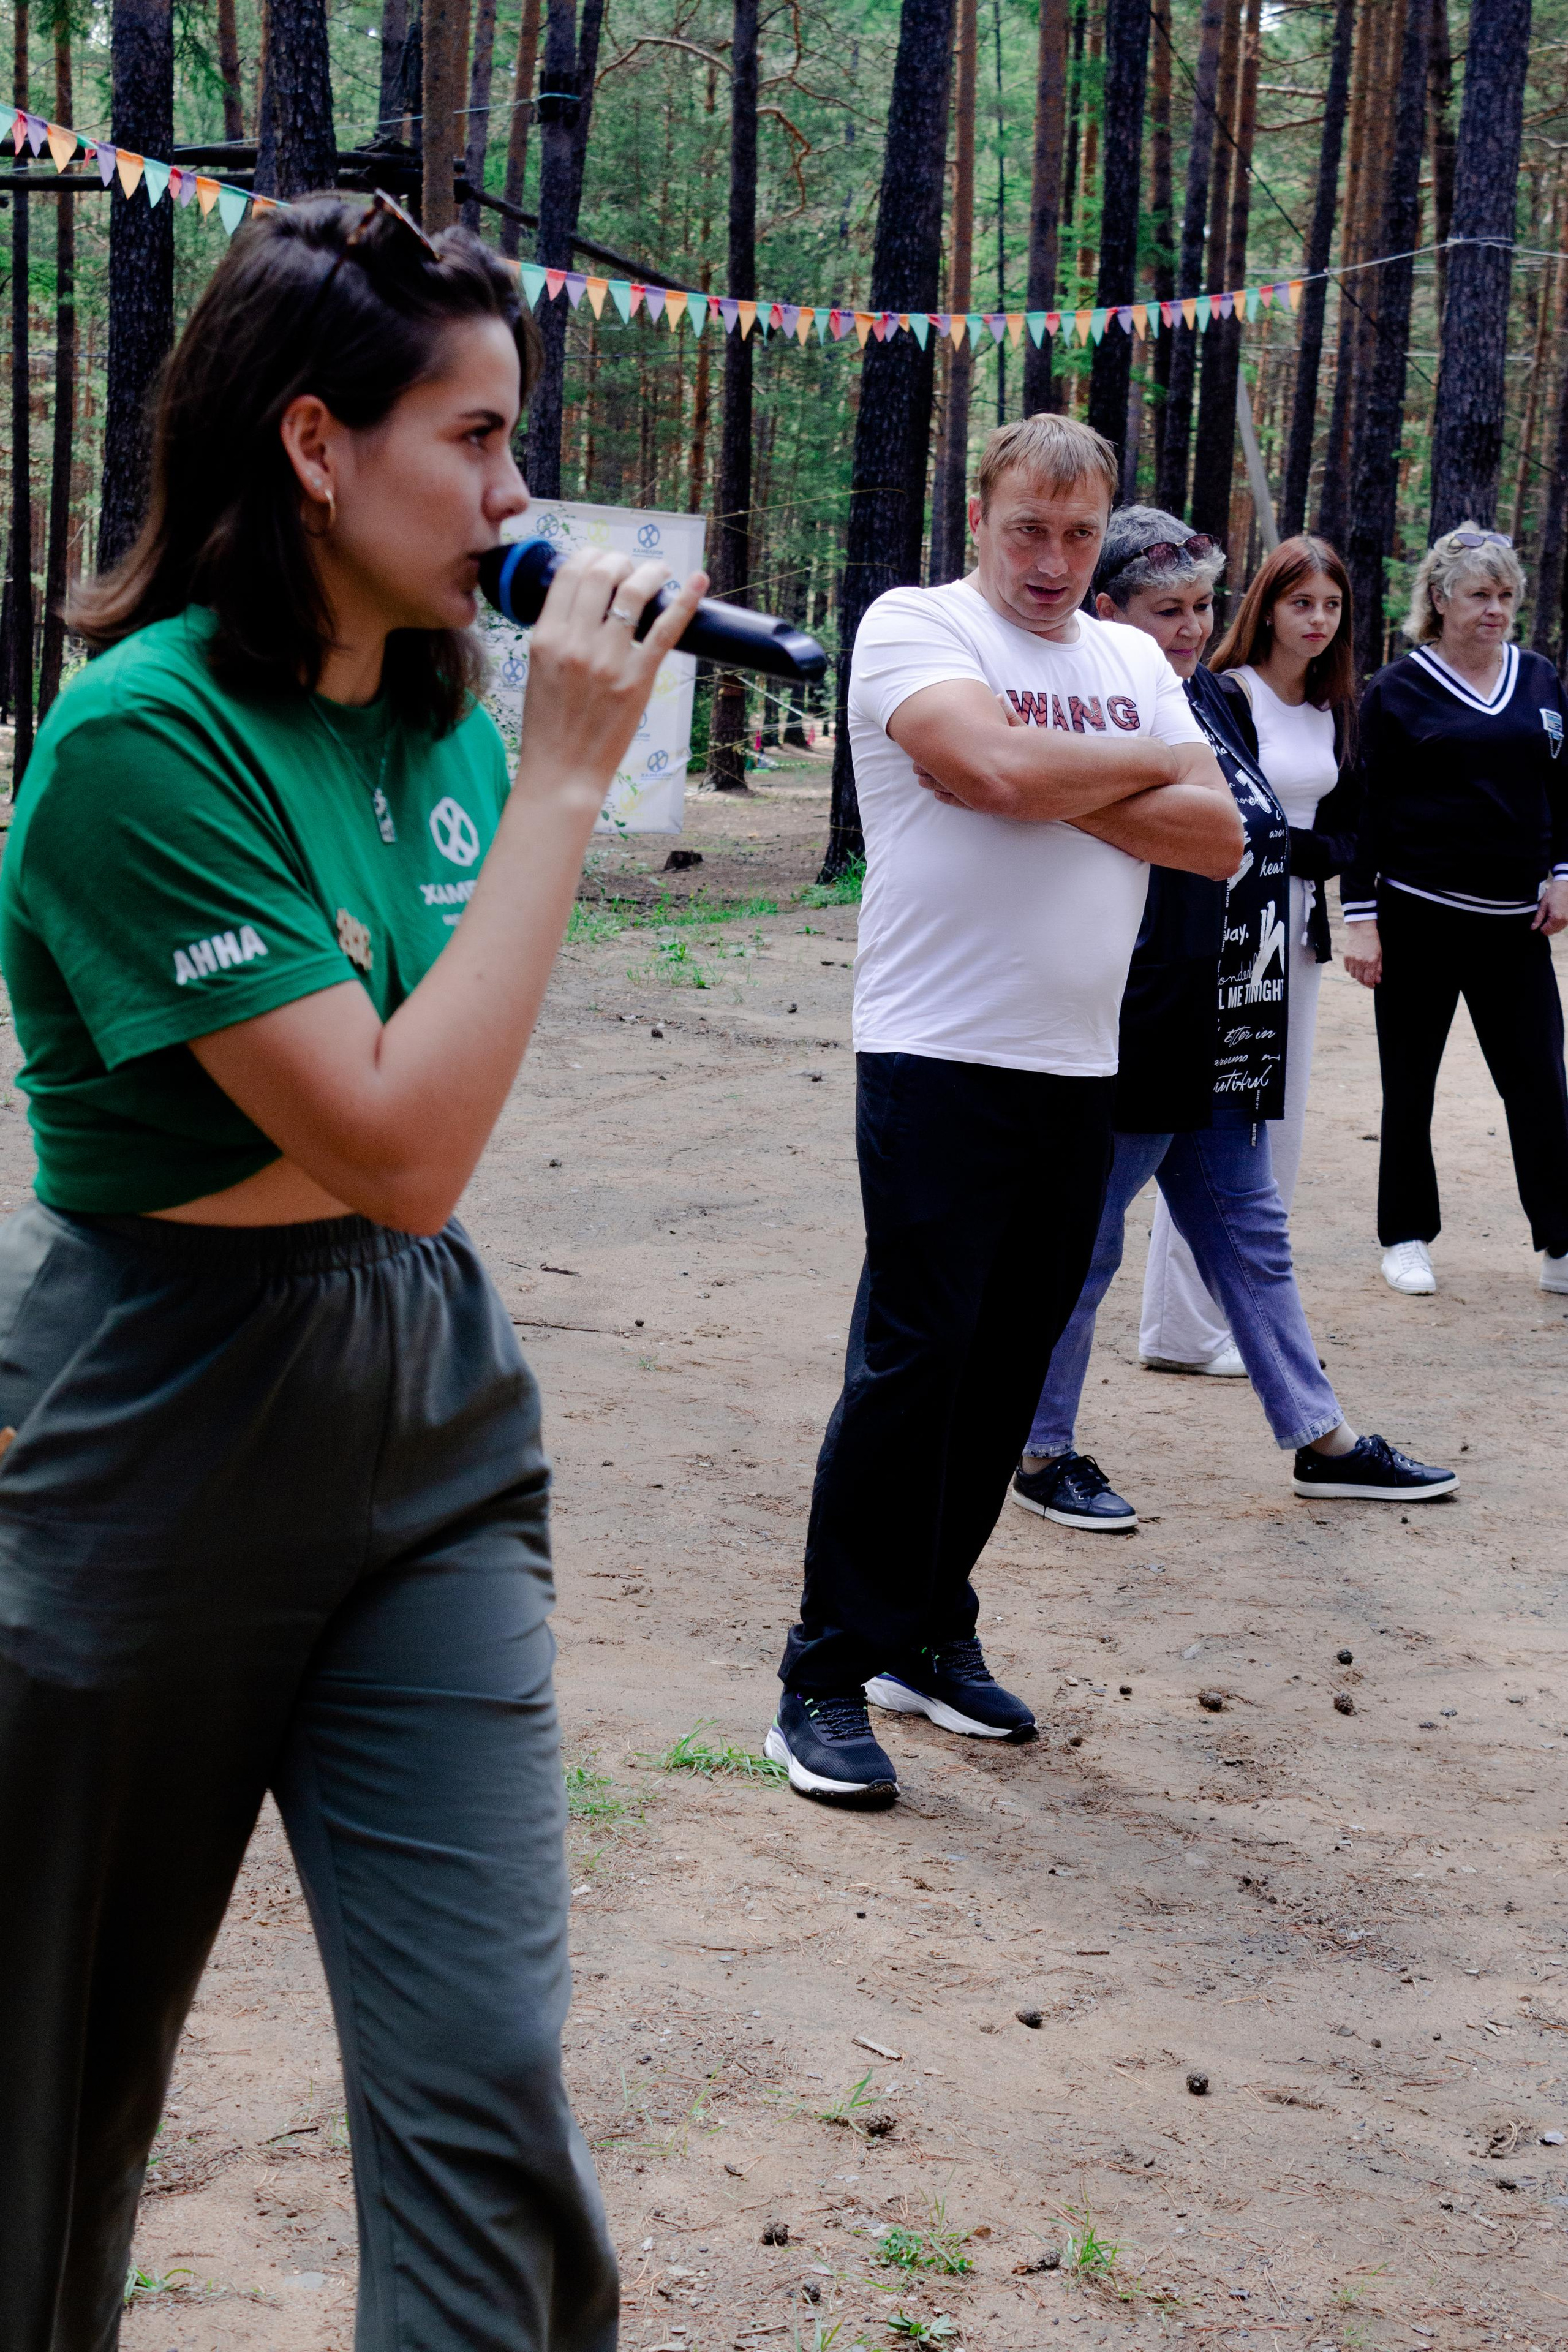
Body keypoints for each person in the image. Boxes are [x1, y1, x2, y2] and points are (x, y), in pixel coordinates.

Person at [0, 194, 706, 2350]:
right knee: (48, 2103)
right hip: (152, 1424)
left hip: (428, 1425)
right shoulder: (142, 743)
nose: (520, 500)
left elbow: (418, 1192)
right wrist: (576, 783)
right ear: (316, 443)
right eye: (477, 441)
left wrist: (530, 765)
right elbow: (399, 1143)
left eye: (521, 445)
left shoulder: (442, 720)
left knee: (488, 2085)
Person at [763, 417, 1242, 1807]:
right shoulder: (915, 626)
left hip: (1076, 1070)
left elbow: (1216, 837)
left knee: (1006, 1359)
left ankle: (924, 1625)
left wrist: (1054, 776)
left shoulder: (1123, 657)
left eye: (1076, 534)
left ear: (1103, 536)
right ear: (978, 513)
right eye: (1025, 527)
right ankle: (820, 1672)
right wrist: (1125, 772)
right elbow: (988, 775)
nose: (1048, 559)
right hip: (935, 1055)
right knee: (914, 1356)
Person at [1009, 508, 1458, 1534]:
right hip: (1125, 1020)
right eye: (1165, 609)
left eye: (1202, 607)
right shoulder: (1083, 705)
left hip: (1223, 1015)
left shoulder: (1212, 699)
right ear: (1105, 607)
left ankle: (1320, 1438)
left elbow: (1267, 834)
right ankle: (1039, 1450)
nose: (1187, 628)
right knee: (1085, 1246)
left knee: (1253, 1236)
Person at [1137, 536, 1360, 1374]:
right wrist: (1297, 849)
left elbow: (1353, 831)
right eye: (1302, 602)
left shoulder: (1339, 706)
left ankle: (1227, 1320)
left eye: (1332, 606)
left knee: (1277, 1123)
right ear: (1266, 604)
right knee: (1213, 1117)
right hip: (1225, 927)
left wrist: (1309, 855)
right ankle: (1181, 1329)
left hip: (1295, 935)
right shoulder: (1225, 694)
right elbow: (1228, 817)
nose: (1317, 620)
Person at [1341, 524, 1568, 1296]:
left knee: (1541, 1083)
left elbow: (1561, 789)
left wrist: (1562, 873)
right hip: (1418, 920)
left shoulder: (1538, 679)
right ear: (1438, 601)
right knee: (1410, 1084)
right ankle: (1405, 1236)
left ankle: (1561, 1244)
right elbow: (1365, 810)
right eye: (1479, 594)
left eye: (1505, 595)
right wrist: (1361, 917)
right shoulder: (1395, 691)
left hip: (1515, 927)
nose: (1495, 609)